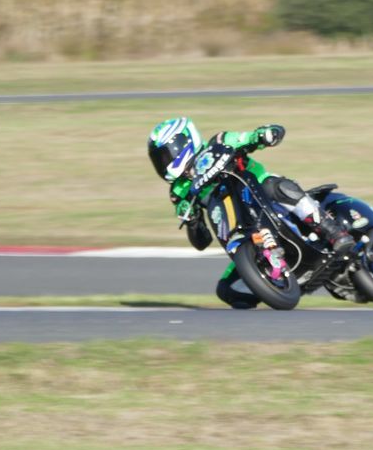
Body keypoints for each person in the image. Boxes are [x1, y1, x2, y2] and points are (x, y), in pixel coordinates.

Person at [147, 117, 353, 309]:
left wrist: (264, 135)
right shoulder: (178, 191)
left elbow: (249, 138)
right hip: (234, 228)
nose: (163, 163)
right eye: (158, 159)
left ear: (183, 143)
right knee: (227, 290)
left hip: (260, 190)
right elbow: (201, 242)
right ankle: (269, 290)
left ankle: (333, 232)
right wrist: (192, 222)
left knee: (276, 186)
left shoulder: (219, 142)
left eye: (165, 155)